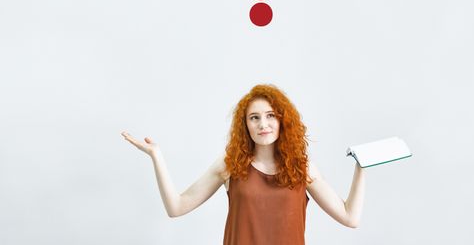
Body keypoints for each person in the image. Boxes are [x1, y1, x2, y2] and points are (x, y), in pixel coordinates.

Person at [121, 84, 365, 245]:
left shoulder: (303, 168)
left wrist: (361, 166)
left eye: (270, 116)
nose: (263, 124)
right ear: (245, 125)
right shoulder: (230, 165)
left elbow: (349, 217)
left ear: (282, 121)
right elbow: (177, 207)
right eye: (254, 118)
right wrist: (156, 156)